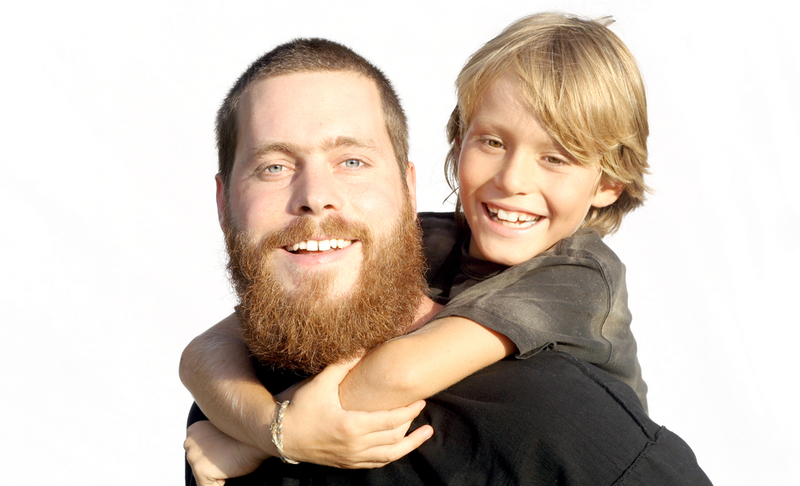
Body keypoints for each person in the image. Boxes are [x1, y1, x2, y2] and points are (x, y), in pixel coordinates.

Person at [184, 16, 712, 486]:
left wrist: (263, 439)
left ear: (608, 185)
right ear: (458, 142)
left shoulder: (577, 278)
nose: (513, 180)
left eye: (555, 157)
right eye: (493, 142)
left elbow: (400, 374)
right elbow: (206, 349)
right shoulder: (430, 238)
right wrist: (260, 423)